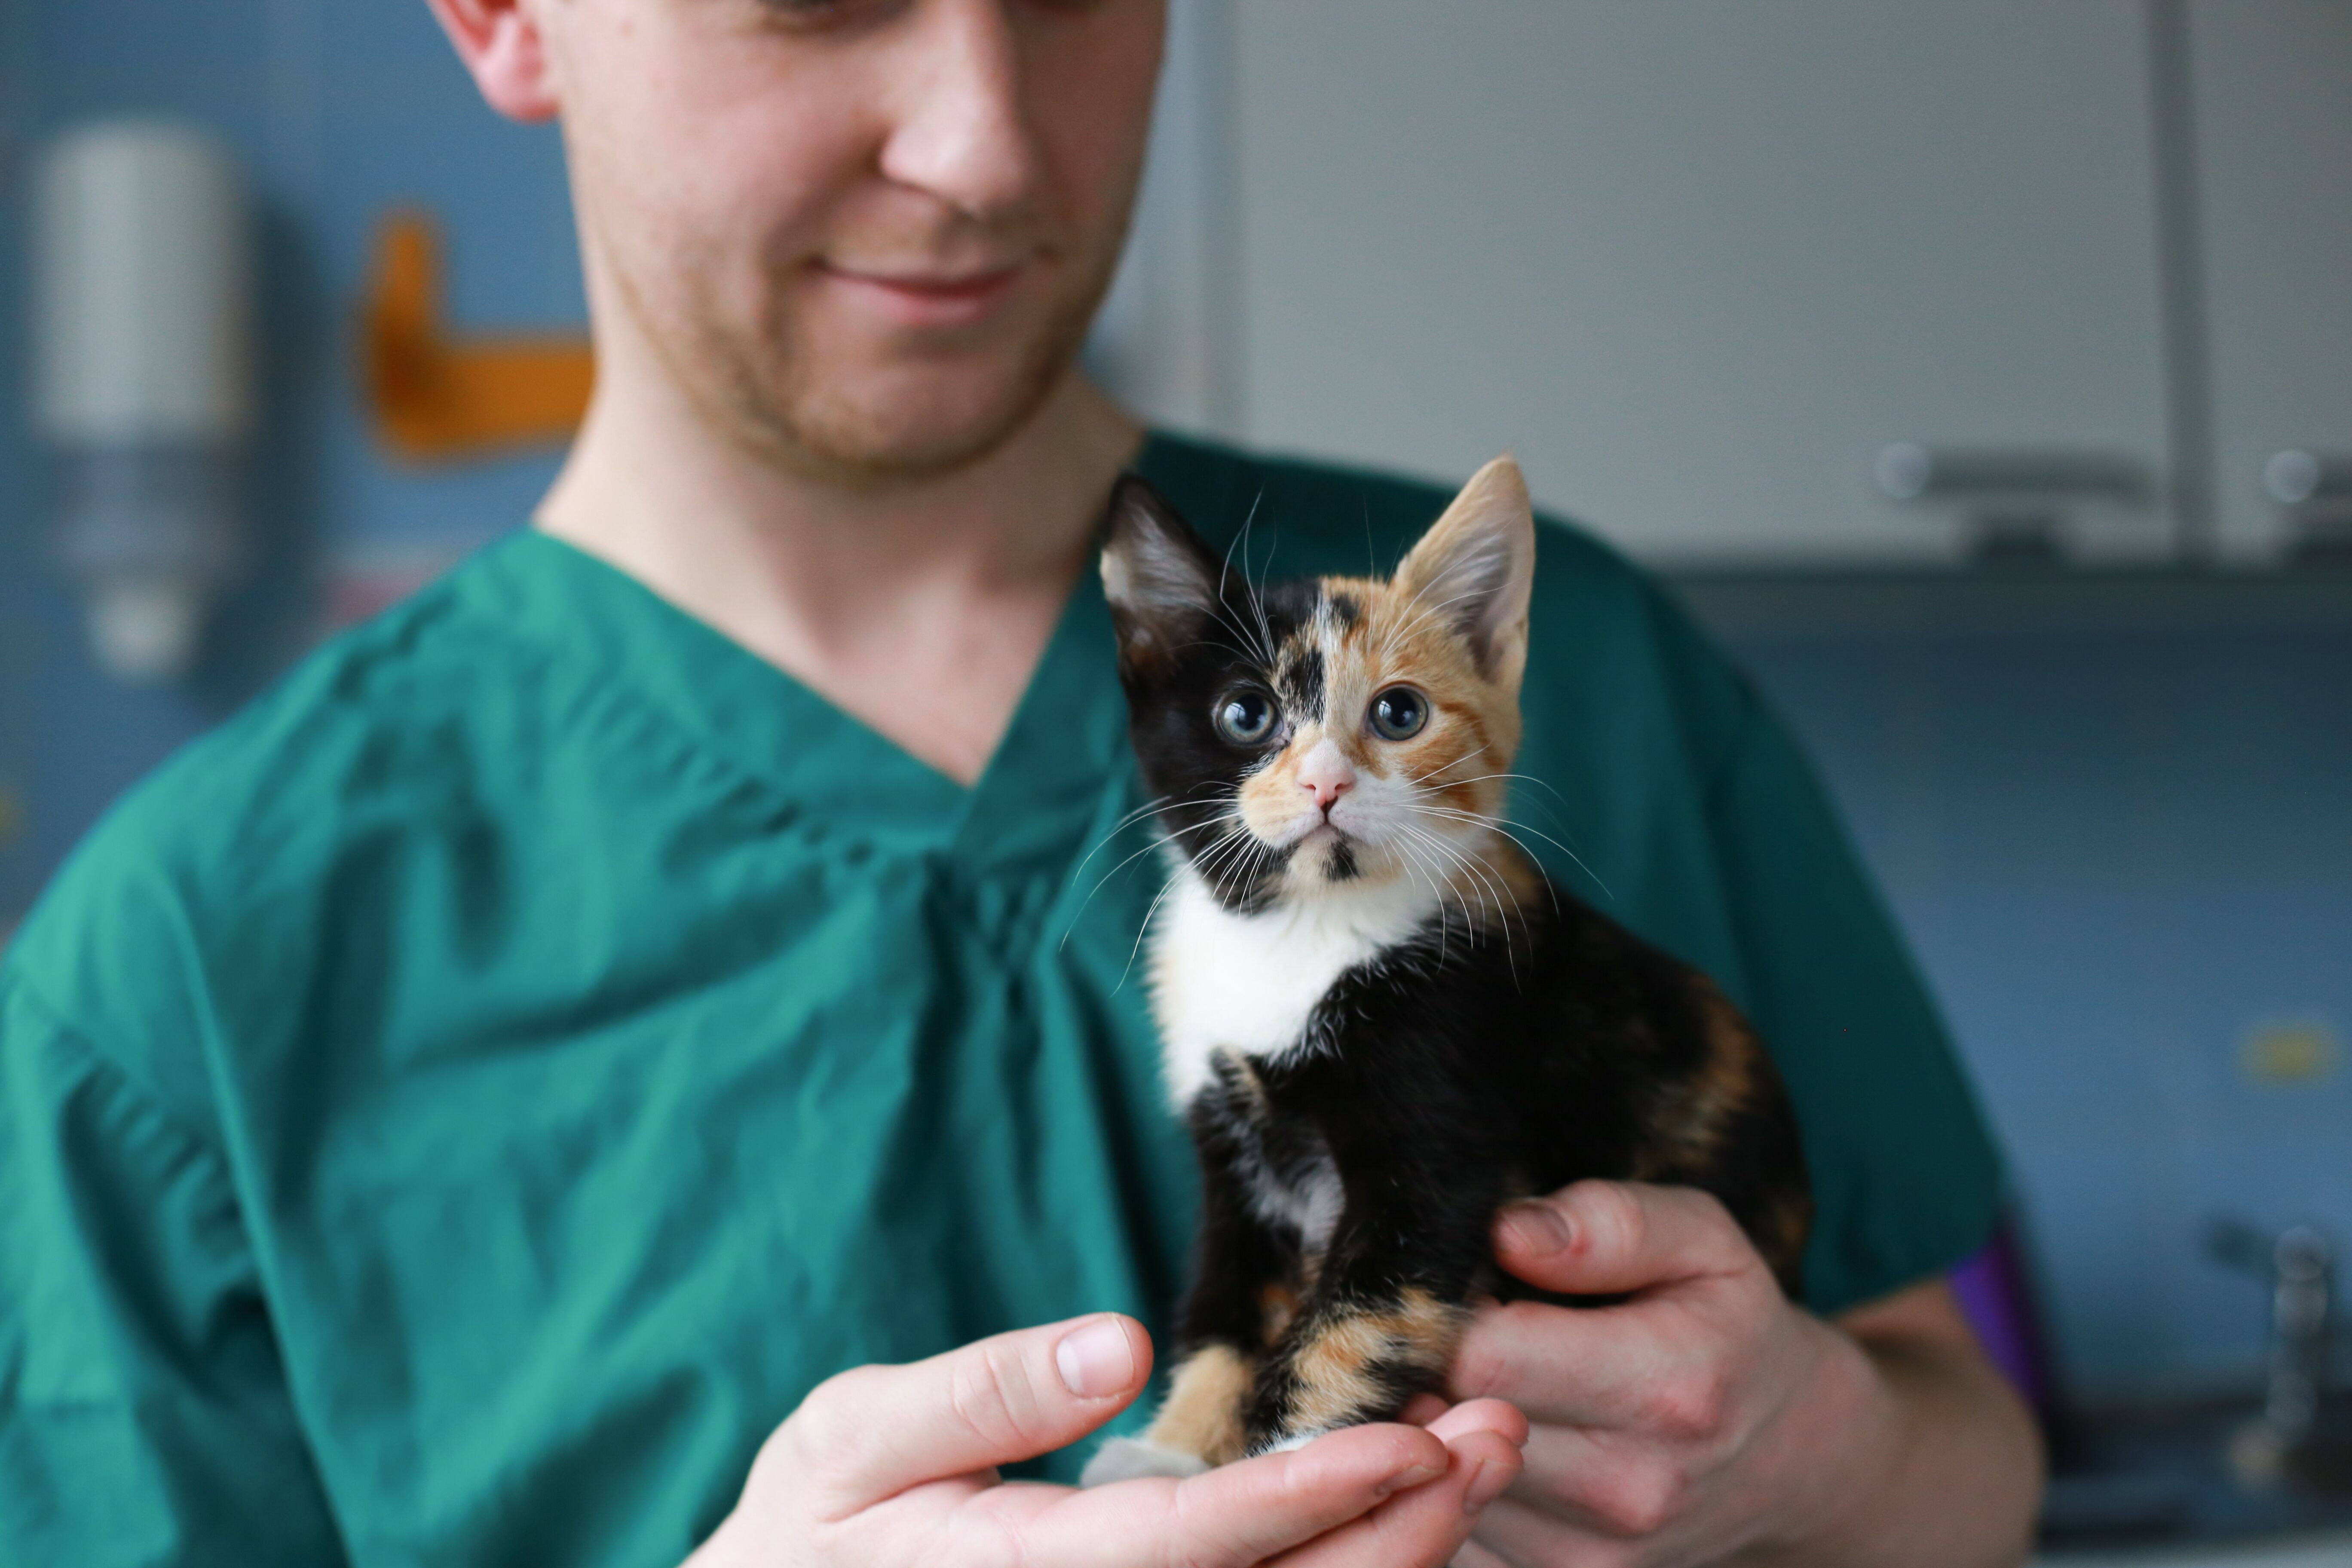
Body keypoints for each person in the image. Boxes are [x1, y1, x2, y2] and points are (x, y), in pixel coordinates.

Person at [0, 1, 2044, 1564]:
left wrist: (1823, 1456)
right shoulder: (178, 975)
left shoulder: (1547, 681)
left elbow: (1971, 1450)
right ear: (501, 14)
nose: (985, 143)